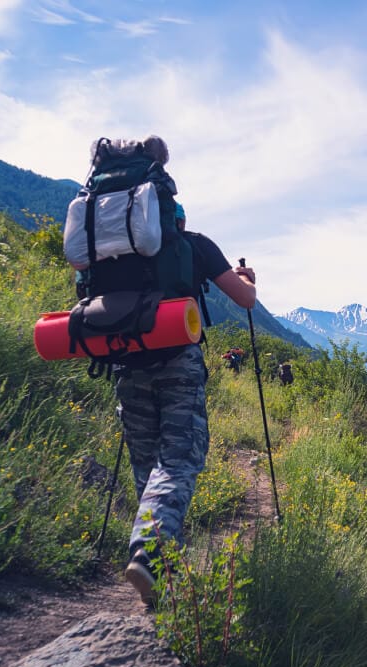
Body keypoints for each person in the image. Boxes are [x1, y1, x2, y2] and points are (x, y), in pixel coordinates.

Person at [117, 140, 257, 606]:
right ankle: (151, 552)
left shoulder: (115, 253)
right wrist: (248, 279)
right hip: (178, 362)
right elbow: (244, 299)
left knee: (147, 466)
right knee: (178, 460)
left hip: (125, 361)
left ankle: (156, 577)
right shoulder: (194, 245)